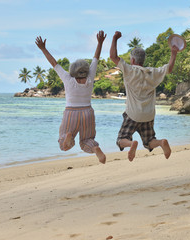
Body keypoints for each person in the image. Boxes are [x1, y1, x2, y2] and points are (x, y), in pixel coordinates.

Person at [35, 31, 107, 164]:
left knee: (63, 145)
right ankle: (96, 148)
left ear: (72, 71)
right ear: (86, 70)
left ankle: (68, 137)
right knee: (86, 141)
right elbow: (96, 58)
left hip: (71, 113)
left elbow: (54, 63)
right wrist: (100, 43)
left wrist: (43, 48)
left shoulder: (68, 79)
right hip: (87, 112)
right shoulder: (90, 78)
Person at [109, 31, 179, 162]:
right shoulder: (152, 72)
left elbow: (113, 56)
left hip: (133, 114)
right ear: (143, 60)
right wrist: (173, 53)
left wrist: (114, 38)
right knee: (149, 141)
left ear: (133, 60)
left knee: (121, 139)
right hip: (148, 115)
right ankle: (161, 142)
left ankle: (130, 144)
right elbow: (168, 68)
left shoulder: (130, 70)